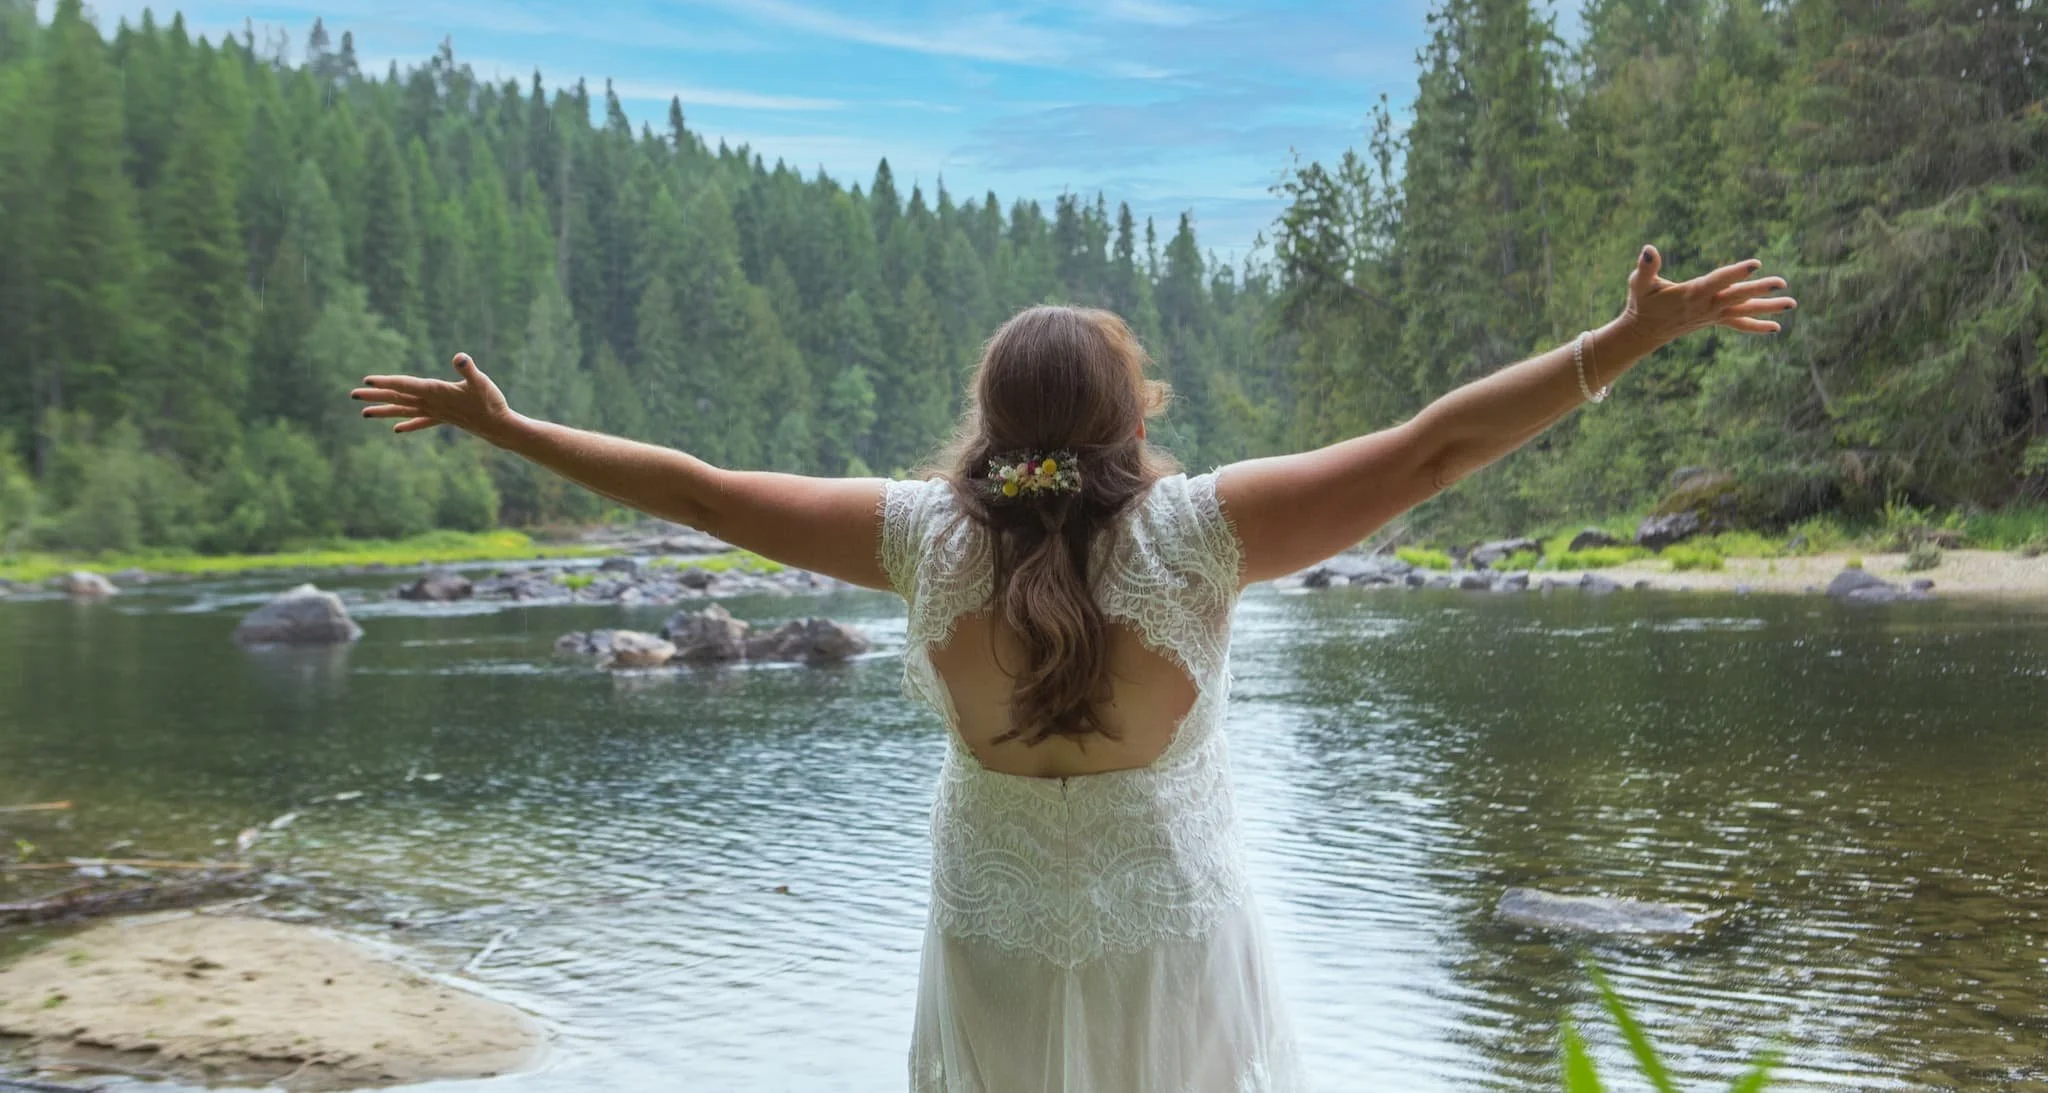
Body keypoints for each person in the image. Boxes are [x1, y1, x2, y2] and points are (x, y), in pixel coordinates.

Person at [350, 244, 1793, 1092]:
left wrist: (516, 430)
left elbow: (702, 488)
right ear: (1132, 410)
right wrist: (1626, 338)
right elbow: (1433, 446)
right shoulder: (1204, 533)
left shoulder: (920, 539)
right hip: (1178, 952)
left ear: (988, 418)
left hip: (992, 958)